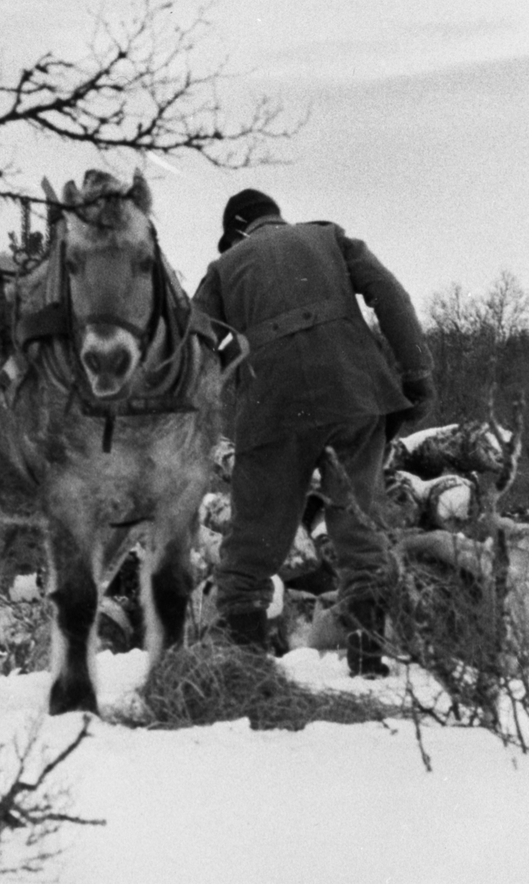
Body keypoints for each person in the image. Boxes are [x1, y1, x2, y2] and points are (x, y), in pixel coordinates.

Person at [193, 188, 435, 677]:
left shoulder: (222, 269)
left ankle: (246, 672)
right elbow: (390, 294)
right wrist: (416, 374)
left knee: (252, 544)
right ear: (276, 217)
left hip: (272, 407)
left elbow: (194, 339)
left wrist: (202, 411)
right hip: (354, 393)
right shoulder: (329, 237)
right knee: (358, 527)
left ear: (237, 232)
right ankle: (368, 664)